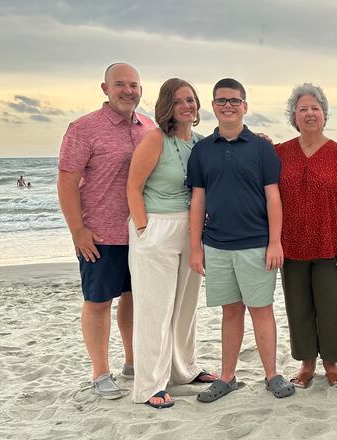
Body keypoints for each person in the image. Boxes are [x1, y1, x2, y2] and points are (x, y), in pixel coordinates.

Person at [186, 78, 294, 402]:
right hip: (216, 246)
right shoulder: (202, 151)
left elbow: (274, 198)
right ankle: (227, 377)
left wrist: (275, 242)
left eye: (234, 100)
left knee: (261, 310)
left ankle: (272, 375)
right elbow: (198, 201)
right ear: (214, 107)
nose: (228, 105)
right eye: (221, 101)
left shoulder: (262, 149)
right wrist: (195, 247)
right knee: (230, 312)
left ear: (245, 106)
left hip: (256, 244)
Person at [57, 62, 154, 399]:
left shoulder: (150, 127)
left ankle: (132, 361)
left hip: (140, 232)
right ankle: (100, 372)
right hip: (99, 234)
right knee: (98, 301)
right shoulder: (84, 128)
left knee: (133, 298)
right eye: (120, 84)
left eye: (134, 85)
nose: (128, 91)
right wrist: (78, 230)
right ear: (105, 88)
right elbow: (67, 182)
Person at [126, 78, 218, 409]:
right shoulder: (155, 140)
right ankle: (150, 384)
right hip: (156, 228)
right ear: (168, 105)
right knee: (155, 308)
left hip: (192, 229)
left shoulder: (202, 143)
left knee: (185, 307)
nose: (187, 106)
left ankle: (183, 370)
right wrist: (143, 229)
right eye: (179, 101)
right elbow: (133, 187)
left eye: (191, 100)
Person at [275, 83, 337, 389]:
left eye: (315, 108)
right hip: (291, 245)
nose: (310, 113)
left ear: (324, 114)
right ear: (294, 116)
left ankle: (332, 364)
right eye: (303, 109)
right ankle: (307, 363)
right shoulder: (279, 153)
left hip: (331, 244)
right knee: (298, 306)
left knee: (333, 306)